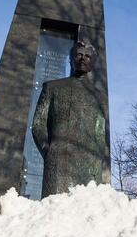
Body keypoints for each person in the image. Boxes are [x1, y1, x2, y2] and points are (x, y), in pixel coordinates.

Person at [32, 39, 110, 198]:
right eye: (79, 55)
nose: (83, 58)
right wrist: (48, 149)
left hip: (90, 164)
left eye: (88, 57)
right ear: (71, 59)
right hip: (58, 160)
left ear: (92, 63)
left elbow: (101, 132)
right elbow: (38, 123)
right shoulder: (52, 87)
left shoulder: (100, 97)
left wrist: (98, 157)